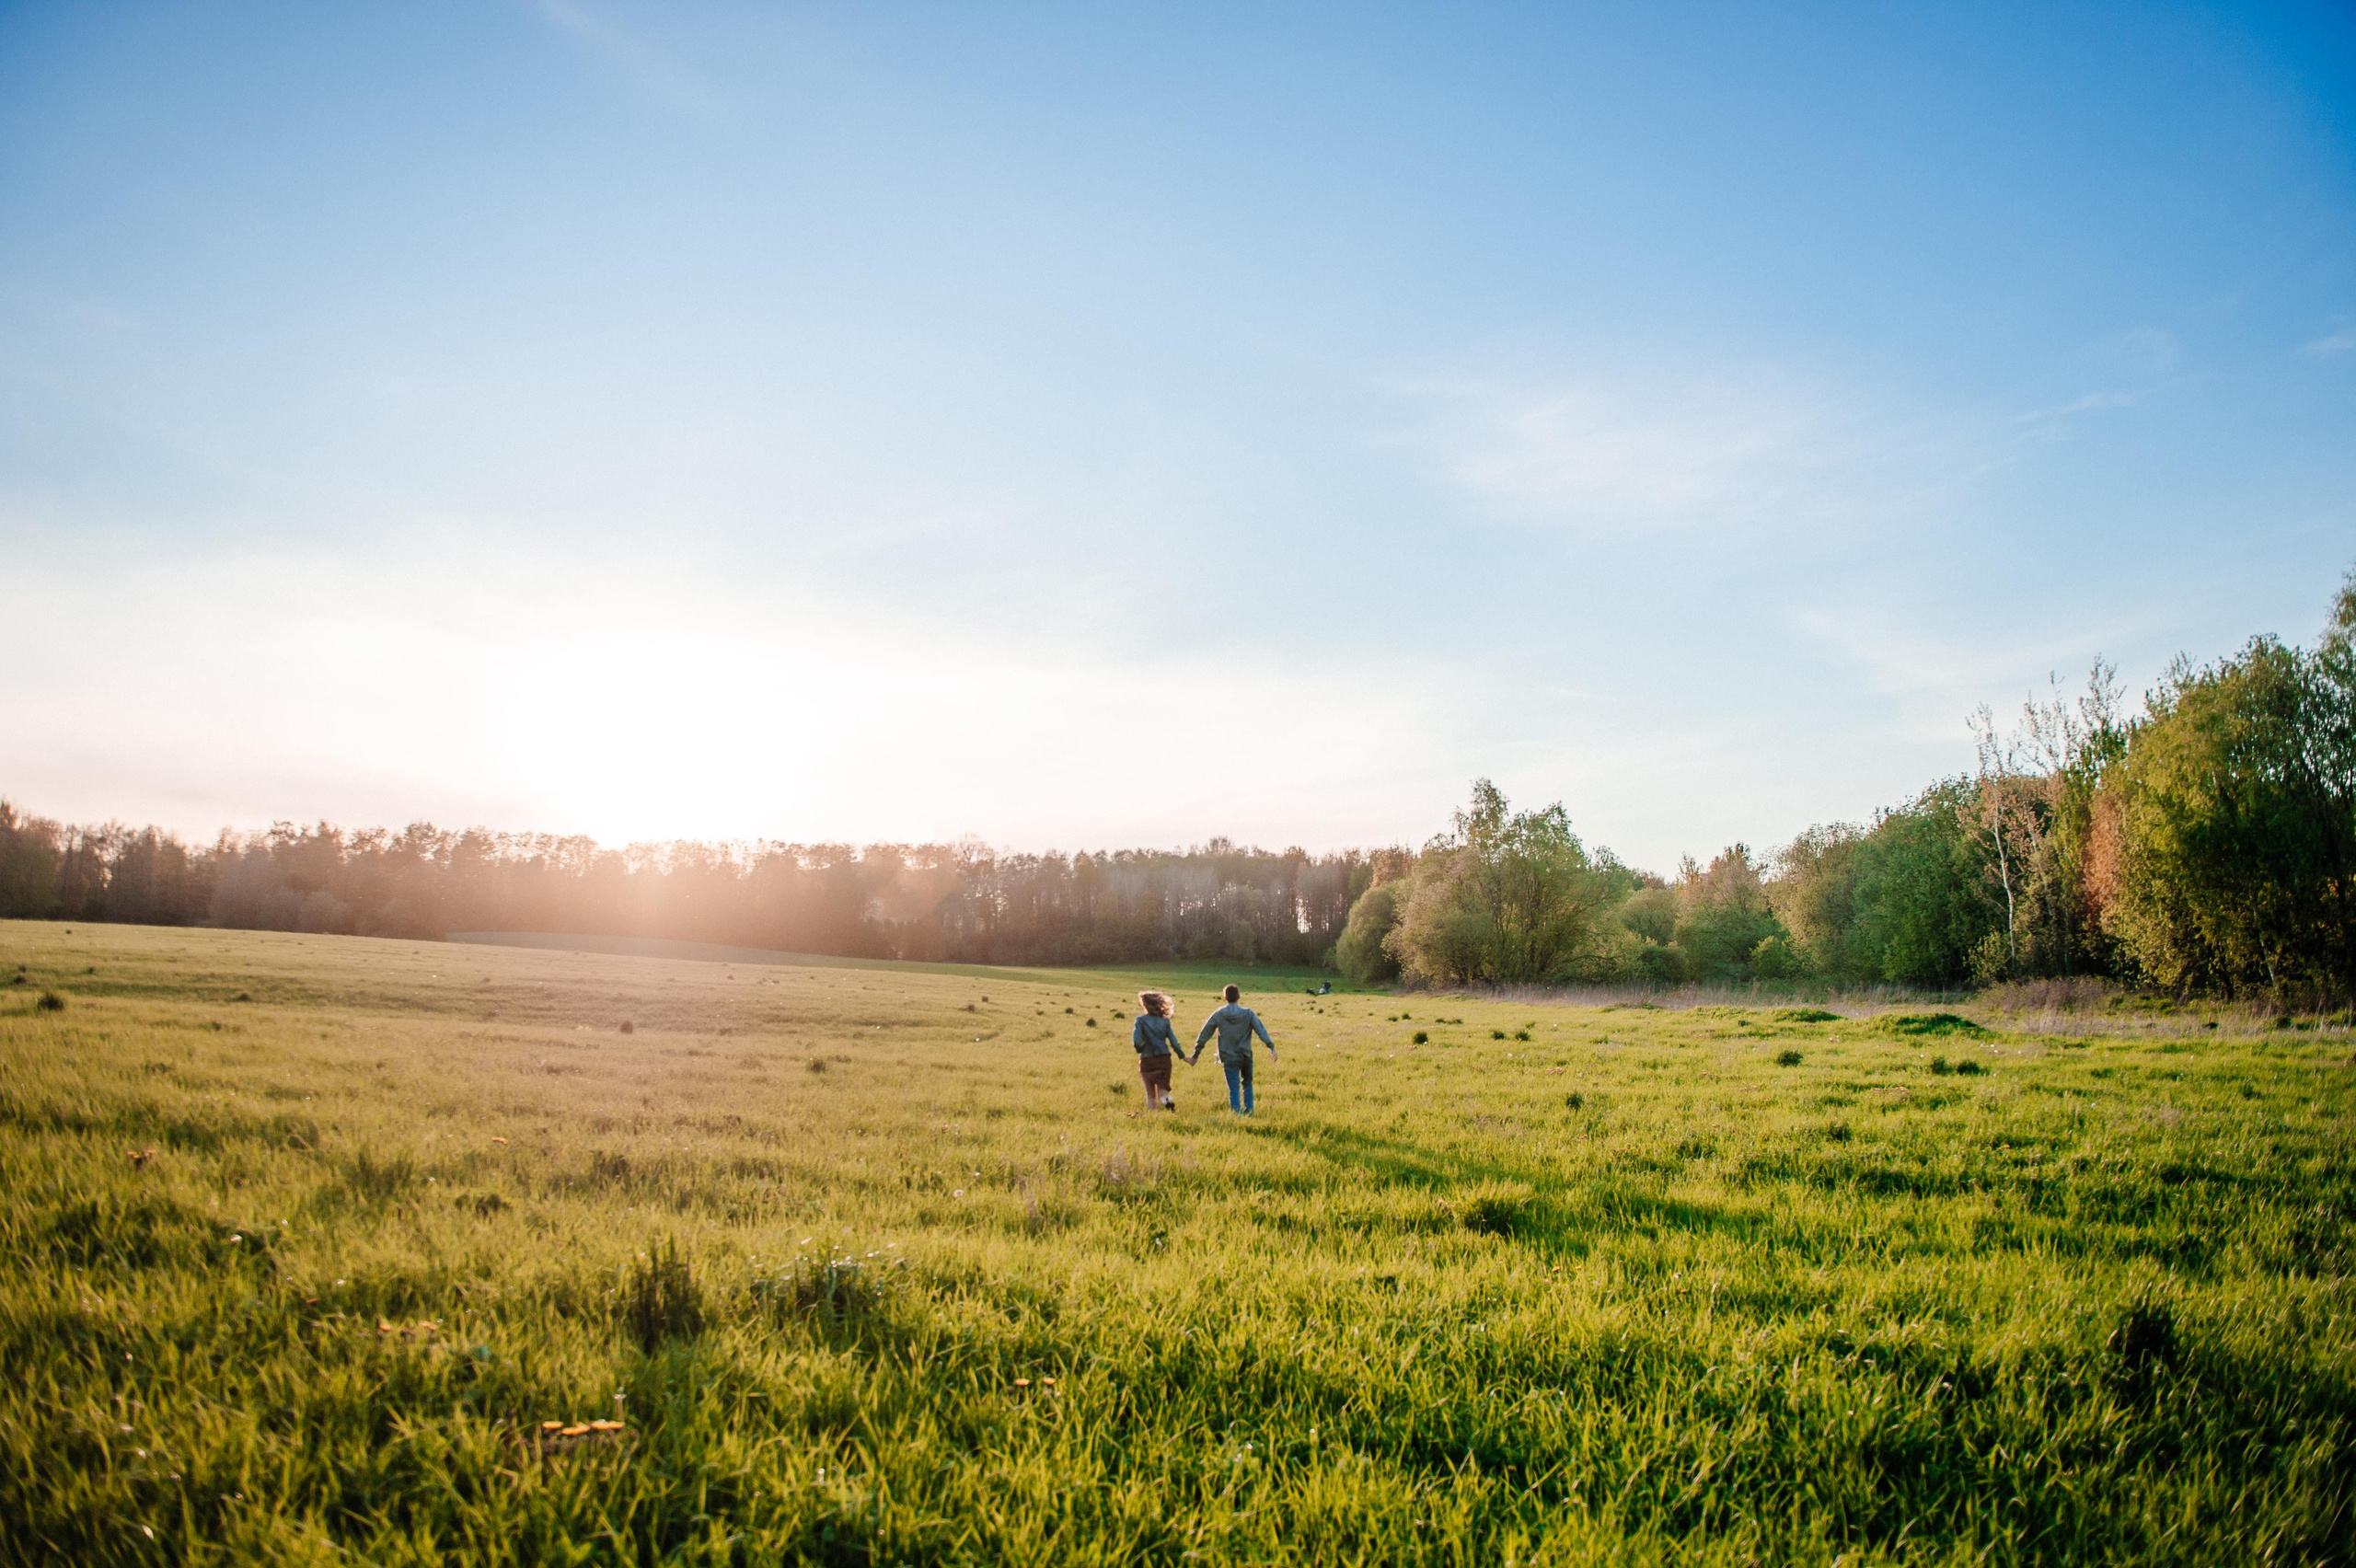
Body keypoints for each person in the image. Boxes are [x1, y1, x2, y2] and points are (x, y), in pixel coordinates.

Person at [1194, 983, 1276, 1114]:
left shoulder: (1219, 1014)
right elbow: (1261, 1031)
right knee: (1247, 1084)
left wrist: (1196, 1052)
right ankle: (1249, 1112)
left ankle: (1236, 1114)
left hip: (1229, 1057)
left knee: (1234, 1089)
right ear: (1239, 996)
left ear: (1225, 998)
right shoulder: (1248, 1014)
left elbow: (1205, 1032)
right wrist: (1271, 1047)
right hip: (1245, 1055)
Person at [1131, 991, 1184, 1111]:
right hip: (1164, 1060)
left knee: (1151, 1096)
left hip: (1147, 1060)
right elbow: (1174, 1042)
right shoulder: (1165, 1021)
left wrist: (1140, 1049)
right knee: (1163, 1093)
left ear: (1145, 1005)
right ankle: (1167, 1102)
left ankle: (1153, 1117)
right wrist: (1182, 1055)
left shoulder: (1140, 1021)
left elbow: (1137, 1041)